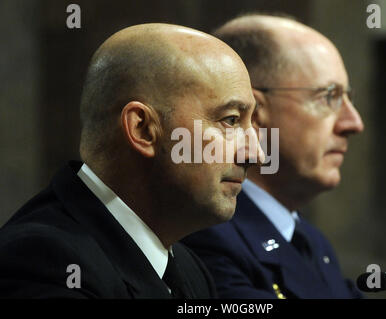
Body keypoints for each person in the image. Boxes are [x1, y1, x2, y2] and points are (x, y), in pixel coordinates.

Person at [0, 23, 263, 298]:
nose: (255, 154)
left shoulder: (189, 269)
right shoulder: (46, 263)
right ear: (143, 129)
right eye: (231, 120)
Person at [183, 14, 365, 298]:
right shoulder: (203, 234)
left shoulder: (311, 241)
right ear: (253, 111)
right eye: (328, 97)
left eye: (349, 99)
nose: (354, 123)